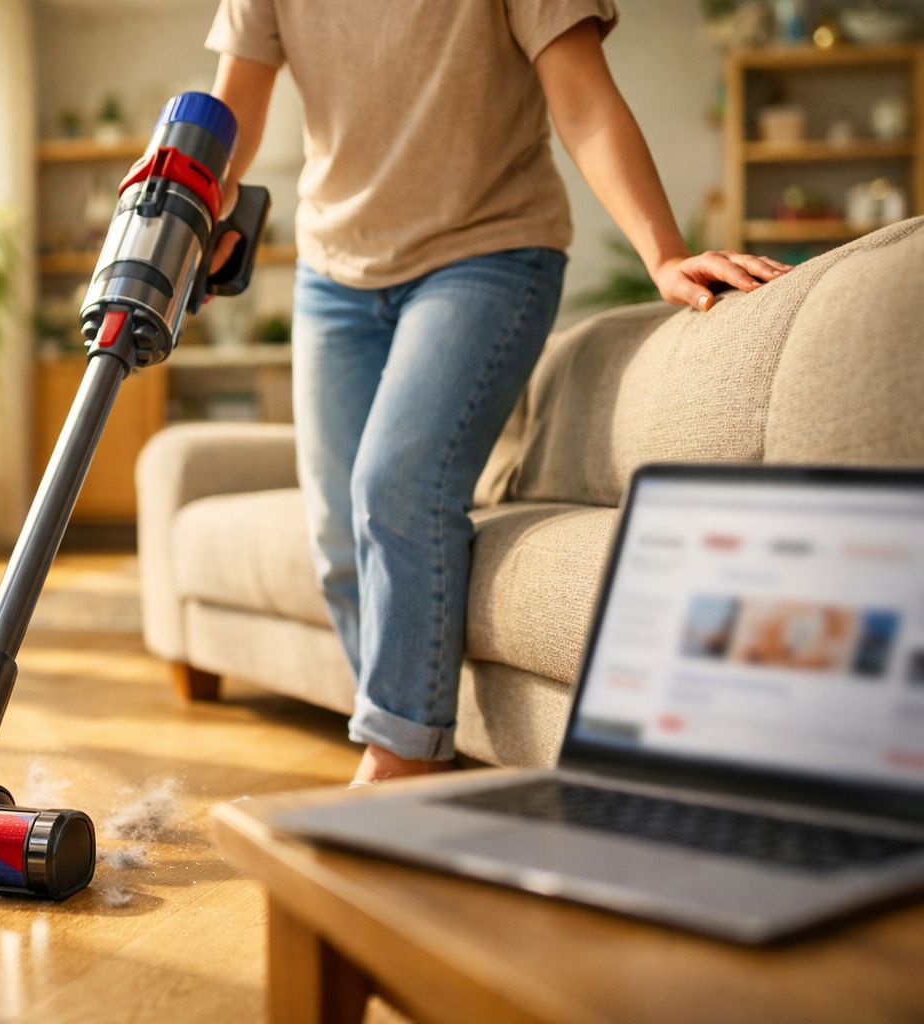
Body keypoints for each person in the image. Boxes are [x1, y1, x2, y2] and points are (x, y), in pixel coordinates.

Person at [204, 1, 789, 785]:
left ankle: (400, 758)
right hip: (333, 267)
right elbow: (234, 103)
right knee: (340, 535)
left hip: (488, 252)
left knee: (396, 485)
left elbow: (581, 95)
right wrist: (197, 205)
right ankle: (402, 731)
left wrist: (664, 253)